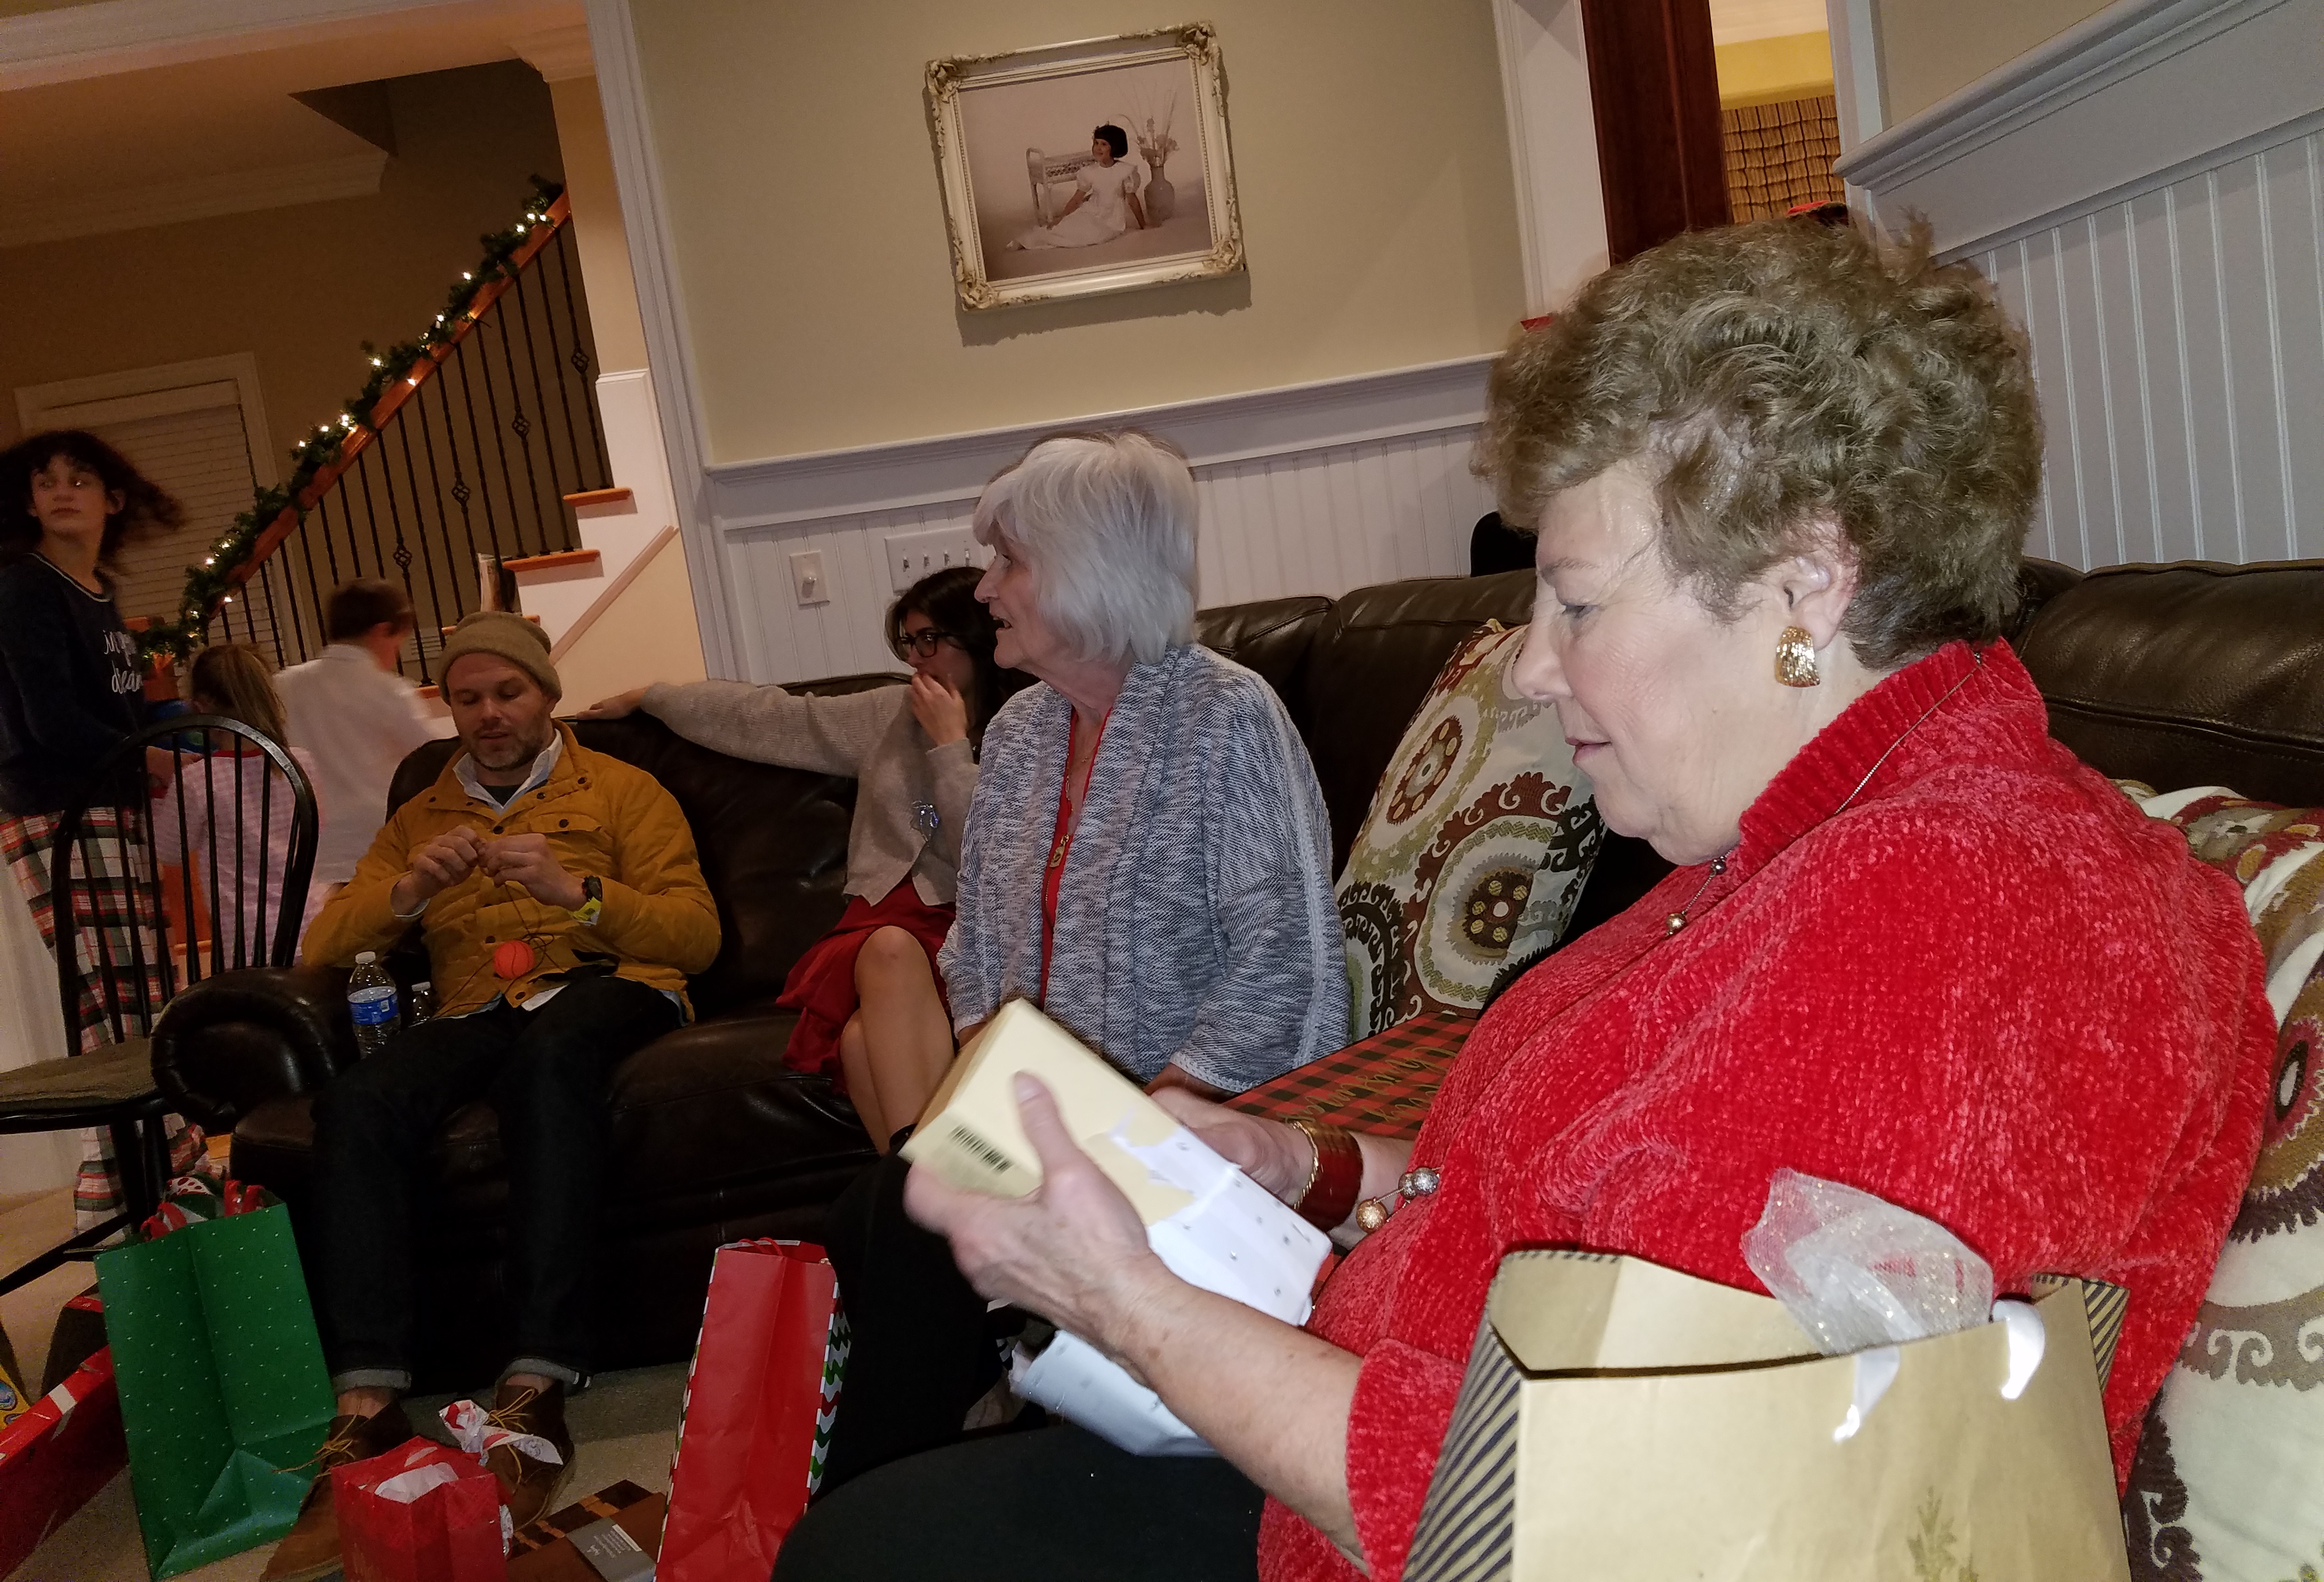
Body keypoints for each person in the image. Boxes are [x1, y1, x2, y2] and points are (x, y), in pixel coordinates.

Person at [773, 222, 2278, 1582]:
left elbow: (1609, 1517)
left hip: (1410, 1524)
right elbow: (1599, 1204)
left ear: (1808, 583)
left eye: (1577, 602)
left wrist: (1124, 1304)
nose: (1536, 670)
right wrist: (1309, 1170)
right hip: (1370, 1441)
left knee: (875, 1551)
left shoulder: (1951, 914)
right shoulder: (1799, 851)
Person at [807, 427, 1349, 1498]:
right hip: (1048, 1116)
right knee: (875, 1209)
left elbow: (1286, 960)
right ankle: (941, 1473)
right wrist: (992, 1086)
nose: (986, 589)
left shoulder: (1226, 716)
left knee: (901, 1219)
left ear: (1088, 570)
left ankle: (868, 1506)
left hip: (1190, 1119)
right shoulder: (1018, 737)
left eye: (1009, 561)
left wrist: (1152, 1111)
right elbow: (974, 951)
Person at [270, 612, 720, 1580]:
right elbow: (324, 943)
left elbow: (696, 934)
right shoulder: (422, 812)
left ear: (545, 695)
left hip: (608, 986)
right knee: (356, 1103)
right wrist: (404, 895)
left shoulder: (624, 789)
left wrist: (579, 892)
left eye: (507, 693)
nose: (488, 714)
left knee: (550, 1061)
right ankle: (367, 1401)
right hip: (477, 1004)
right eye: (468, 698)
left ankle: (538, 1375)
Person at [579, 566, 1027, 1149]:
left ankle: (918, 1185)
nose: (916, 660)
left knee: (862, 1042)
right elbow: (770, 718)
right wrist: (654, 697)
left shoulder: (1027, 726)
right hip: (881, 925)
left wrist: (949, 747)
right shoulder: (887, 714)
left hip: (970, 926)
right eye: (909, 643)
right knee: (888, 947)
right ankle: (941, 1183)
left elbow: (988, 856)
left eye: (930, 641)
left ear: (978, 639)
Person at [0, 428, 189, 1227]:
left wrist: (154, 742)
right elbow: (48, 721)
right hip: (59, 811)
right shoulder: (25, 586)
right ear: (27, 500)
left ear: (114, 498)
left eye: (79, 479)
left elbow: (114, 709)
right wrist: (146, 756)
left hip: (110, 807)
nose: (60, 491)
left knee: (139, 997)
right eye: (46, 480)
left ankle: (150, 1185)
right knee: (112, 1003)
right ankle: (119, 1199)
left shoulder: (99, 595)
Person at [158, 642, 329, 956]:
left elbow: (169, 851)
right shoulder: (301, 763)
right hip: (313, 921)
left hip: (248, 939)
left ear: (200, 708)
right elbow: (320, 827)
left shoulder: (199, 780)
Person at [274, 579, 435, 899]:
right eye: (398, 643)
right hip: (373, 840)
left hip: (301, 842)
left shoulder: (282, 685)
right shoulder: (389, 691)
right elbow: (429, 759)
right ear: (382, 631)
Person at [1006, 124, 1146, 251]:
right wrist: (1061, 217)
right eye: (1096, 143)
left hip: (1109, 221)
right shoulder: (1090, 172)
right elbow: (1077, 198)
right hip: (1090, 211)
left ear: (1114, 147)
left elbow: (1132, 201)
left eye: (1104, 144)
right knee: (1065, 226)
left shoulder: (1124, 171)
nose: (1098, 148)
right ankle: (1027, 241)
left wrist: (1143, 224)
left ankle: (1036, 240)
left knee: (1087, 235)